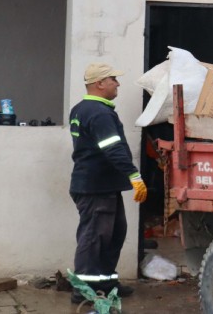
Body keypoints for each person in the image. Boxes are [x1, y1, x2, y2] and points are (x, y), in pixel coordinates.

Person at [68, 62, 147, 304]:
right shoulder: (98, 113)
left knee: (114, 234)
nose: (117, 83)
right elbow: (112, 149)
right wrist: (134, 175)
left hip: (102, 186)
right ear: (99, 83)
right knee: (94, 238)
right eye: (113, 79)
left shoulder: (83, 109)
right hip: (95, 187)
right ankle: (84, 290)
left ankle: (106, 283)